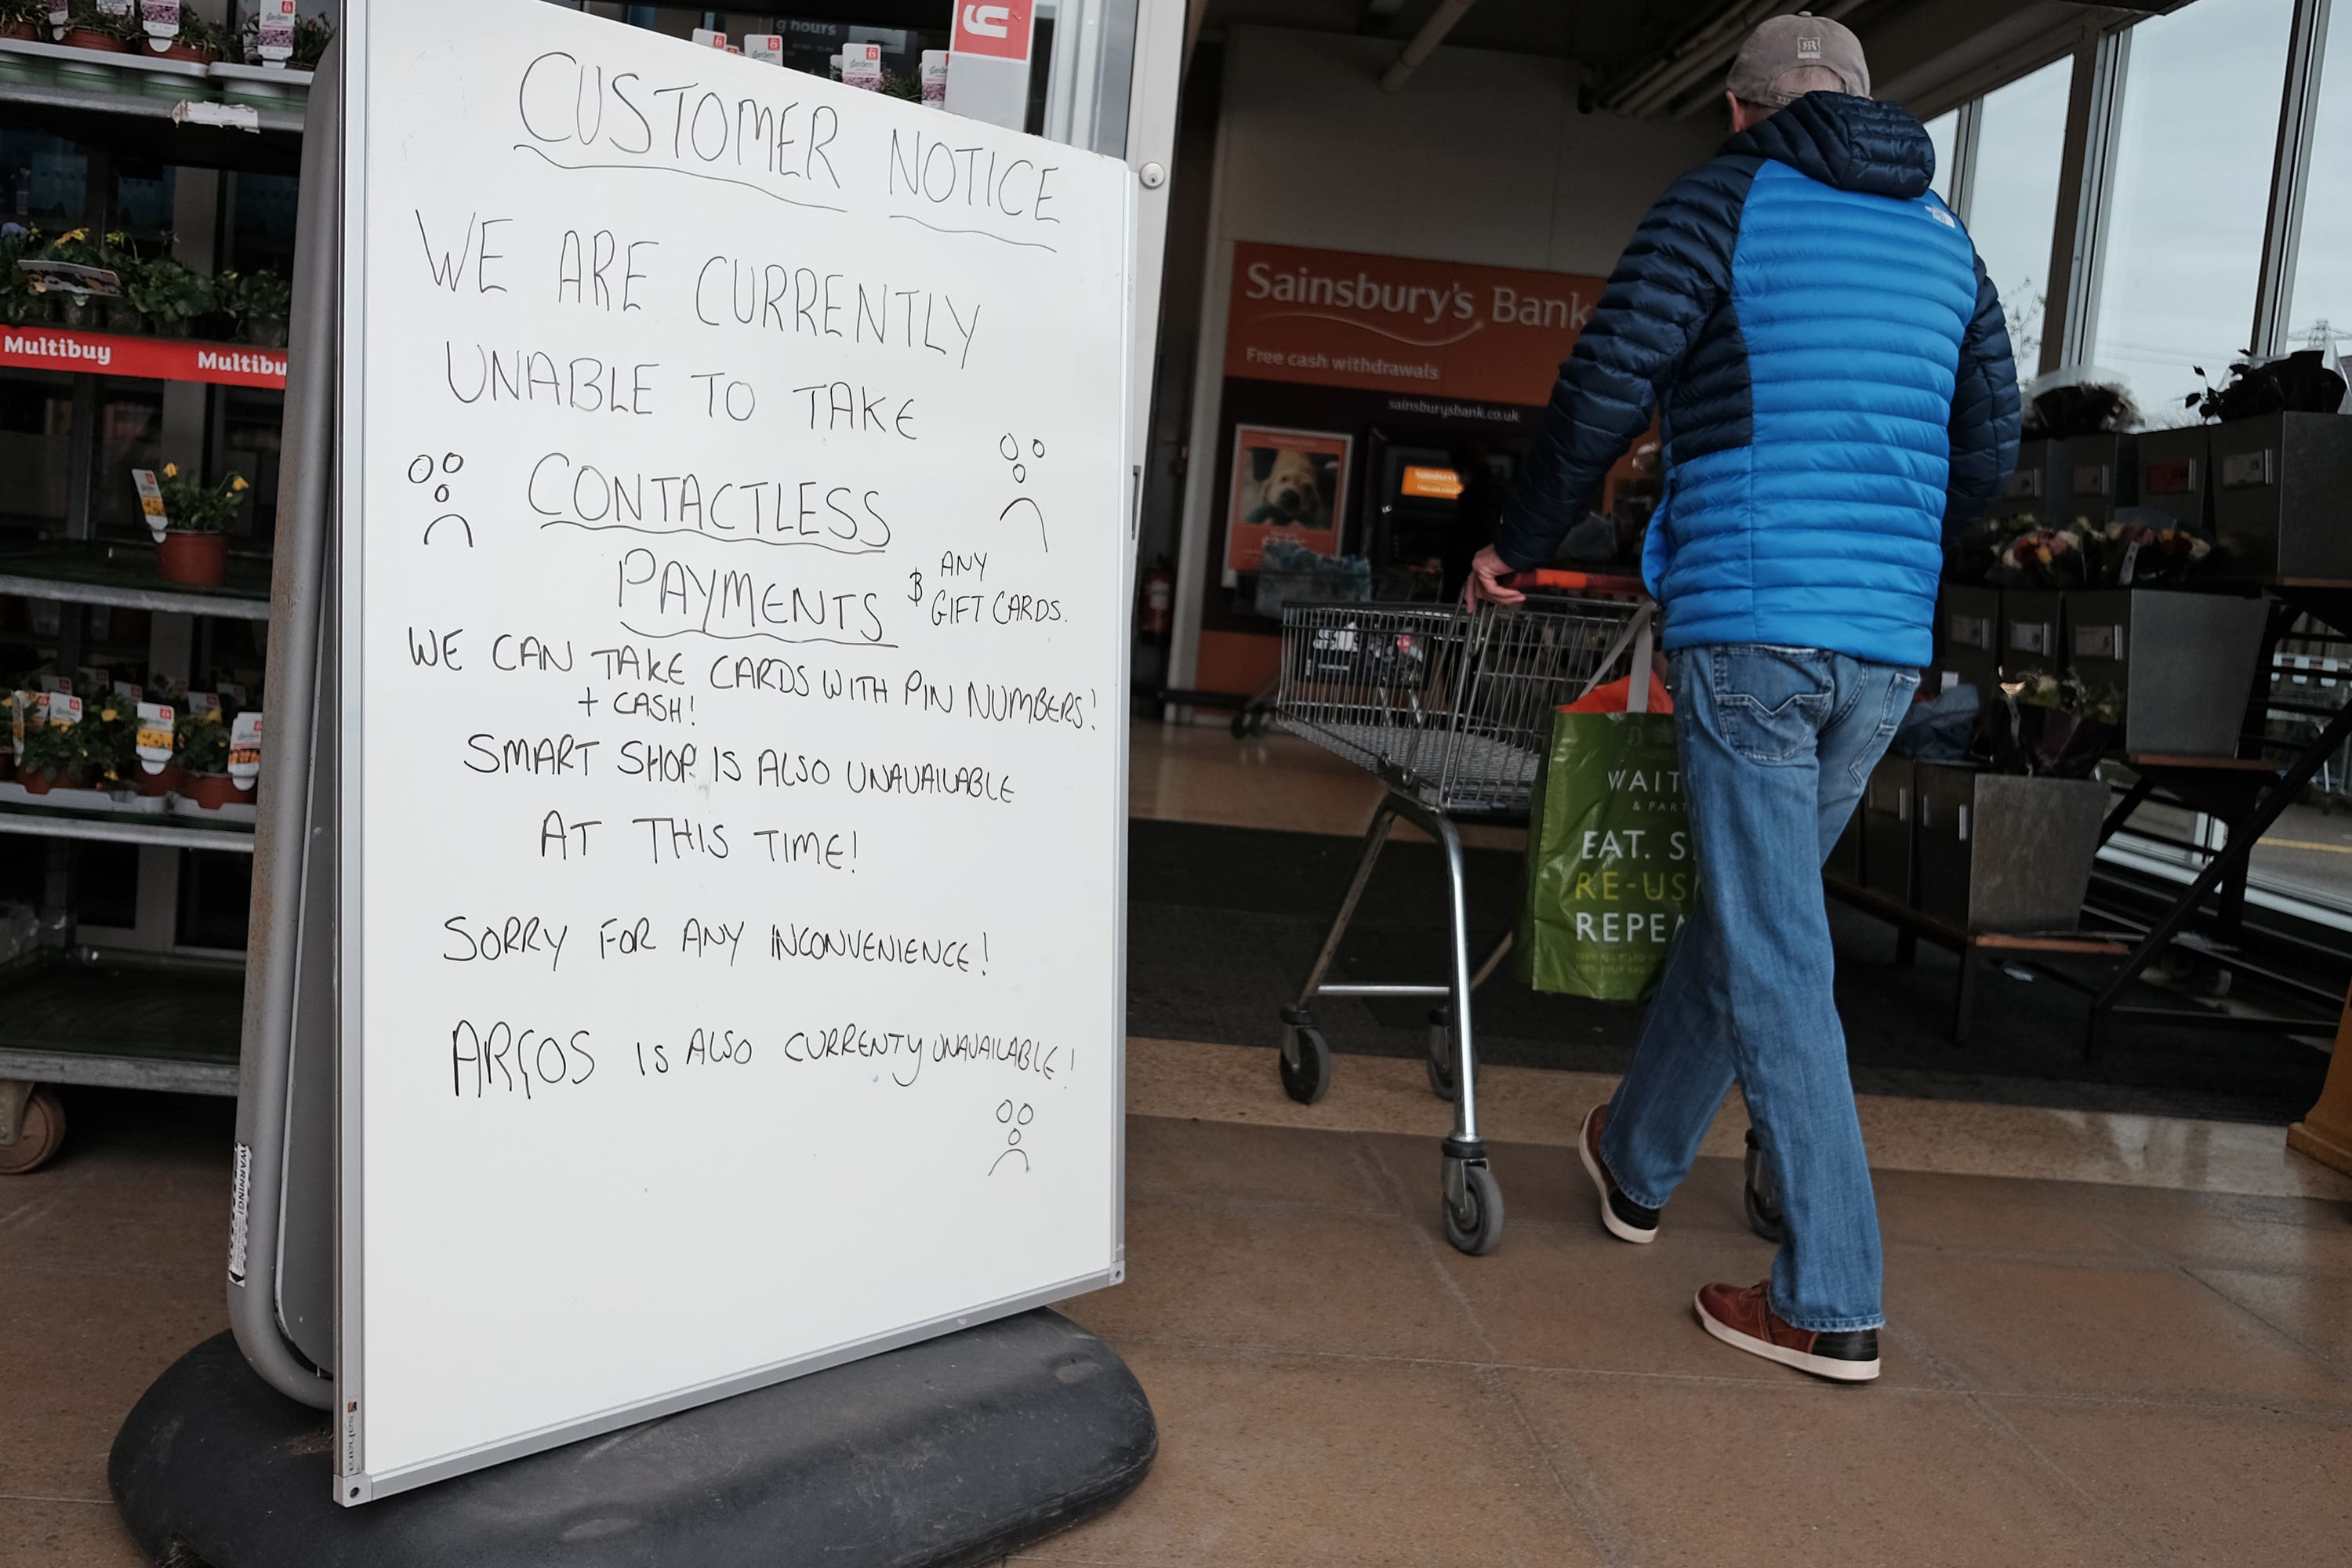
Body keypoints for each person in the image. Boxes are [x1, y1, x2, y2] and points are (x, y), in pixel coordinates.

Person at [1465, 13, 2020, 1381]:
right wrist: (1894, 568)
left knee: (1777, 945)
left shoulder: (1729, 194)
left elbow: (1607, 382)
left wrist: (1515, 542)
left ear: (1739, 108)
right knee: (1753, 908)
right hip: (1882, 646)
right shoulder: (1948, 241)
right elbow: (1992, 448)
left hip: (1756, 623)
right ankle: (1638, 1158)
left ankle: (1831, 1295)